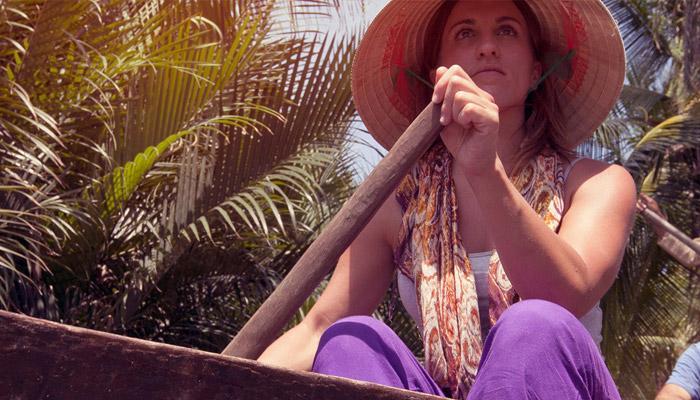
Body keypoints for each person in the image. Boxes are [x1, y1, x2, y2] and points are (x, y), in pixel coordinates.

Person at [257, 1, 637, 399]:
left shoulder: (595, 182)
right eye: (465, 34)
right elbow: (318, 327)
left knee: (534, 323)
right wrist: (213, 380)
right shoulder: (398, 203)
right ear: (435, 72)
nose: (487, 47)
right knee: (350, 339)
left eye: (507, 31)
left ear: (536, 69)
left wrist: (484, 170)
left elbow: (566, 294)